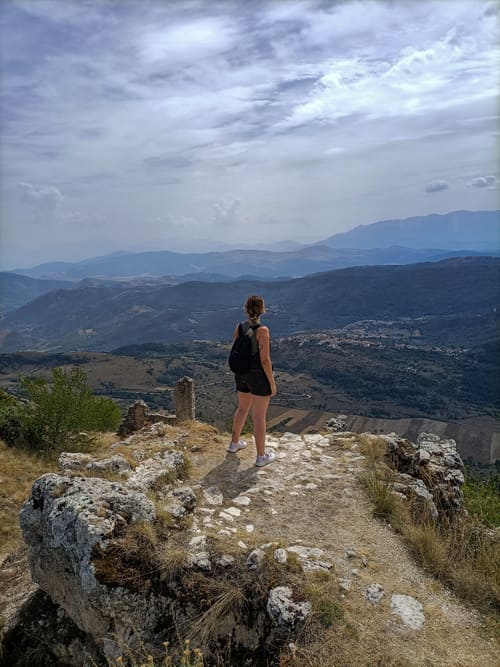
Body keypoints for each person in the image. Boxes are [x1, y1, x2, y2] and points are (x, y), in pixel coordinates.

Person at [228, 295, 277, 466]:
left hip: (241, 375)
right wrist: (271, 383)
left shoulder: (239, 327)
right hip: (258, 377)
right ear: (263, 309)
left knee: (242, 409)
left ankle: (234, 443)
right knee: (258, 417)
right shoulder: (262, 330)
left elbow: (237, 349)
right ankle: (261, 456)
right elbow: (265, 360)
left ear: (246, 309)